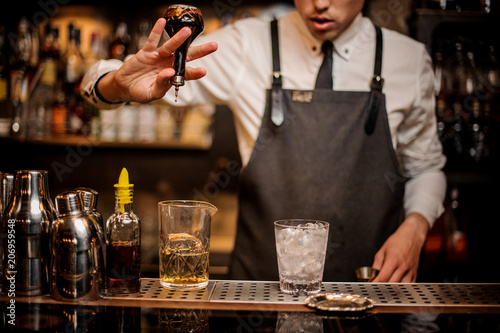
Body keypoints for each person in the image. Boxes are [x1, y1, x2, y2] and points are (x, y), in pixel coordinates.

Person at [81, 0, 447, 283]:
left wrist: (415, 229)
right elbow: (97, 78)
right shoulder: (248, 44)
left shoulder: (408, 60)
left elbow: (427, 168)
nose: (319, 4)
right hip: (259, 292)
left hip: (368, 290)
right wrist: (117, 85)